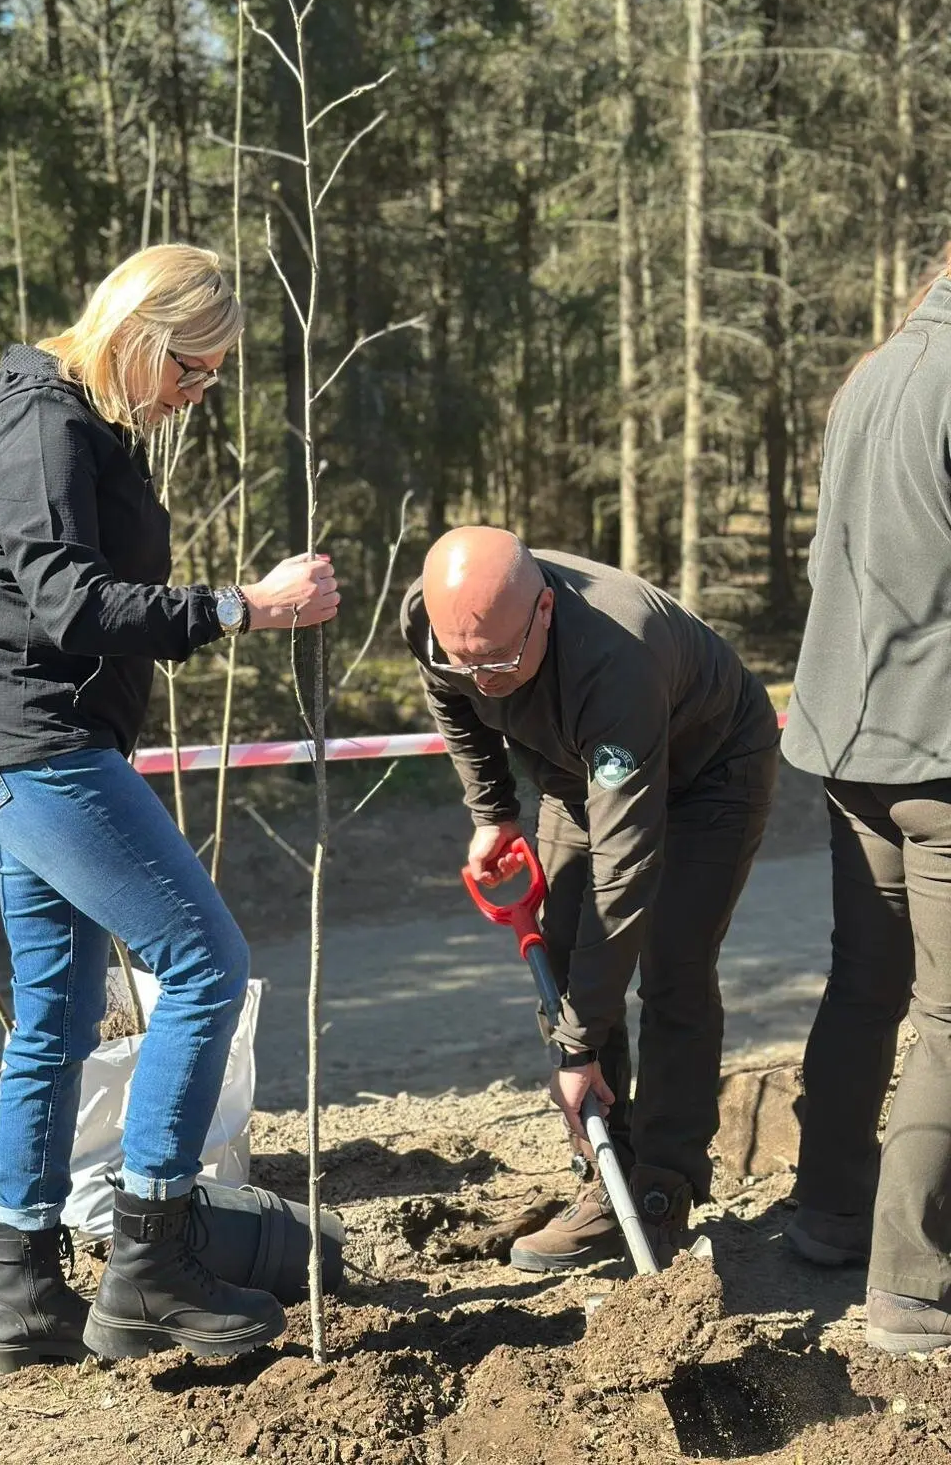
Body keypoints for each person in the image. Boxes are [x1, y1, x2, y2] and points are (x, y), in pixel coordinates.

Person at [0, 244, 340, 1376]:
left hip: (38, 746)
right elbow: (71, 603)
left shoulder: (72, 426)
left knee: (56, 1019)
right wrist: (244, 608)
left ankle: (21, 1300)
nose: (197, 395)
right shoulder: (43, 424)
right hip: (38, 747)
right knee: (204, 960)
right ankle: (150, 1261)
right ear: (145, 333)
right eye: (196, 369)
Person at [402, 527, 778, 1268]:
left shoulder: (616, 658)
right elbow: (451, 701)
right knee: (569, 964)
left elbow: (623, 873)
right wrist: (492, 811)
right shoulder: (436, 621)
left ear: (544, 610)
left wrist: (576, 1048)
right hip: (576, 776)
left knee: (671, 968)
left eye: (502, 664)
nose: (485, 682)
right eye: (464, 662)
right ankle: (608, 1179)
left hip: (710, 769)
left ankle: (661, 1191)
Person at [781, 267, 951, 1355]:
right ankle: (914, 1280)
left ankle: (830, 1213)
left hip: (851, 742)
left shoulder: (873, 376)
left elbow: (824, 556)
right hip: (940, 753)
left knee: (866, 984)